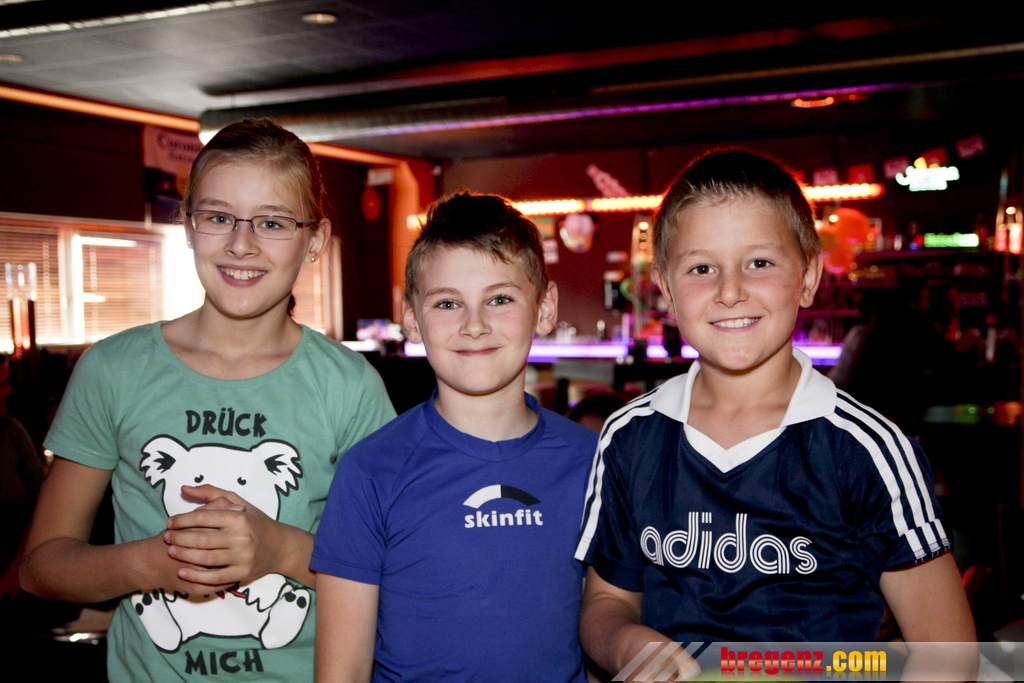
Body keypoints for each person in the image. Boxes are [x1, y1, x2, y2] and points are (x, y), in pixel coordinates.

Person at [575, 149, 976, 680]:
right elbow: (606, 602)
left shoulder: (867, 449)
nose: (730, 291)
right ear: (667, 290)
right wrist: (625, 643)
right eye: (701, 268)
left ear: (808, 275)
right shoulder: (629, 436)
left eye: (759, 263)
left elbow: (949, 654)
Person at [20, 119, 396, 683]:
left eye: (272, 222)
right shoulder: (114, 370)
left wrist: (279, 551)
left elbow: (398, 572)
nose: (241, 244)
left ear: (315, 240)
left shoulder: (349, 386)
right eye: (219, 217)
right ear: (188, 225)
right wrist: (152, 561)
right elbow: (41, 567)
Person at [311, 193, 598, 683]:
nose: (474, 325)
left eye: (500, 299)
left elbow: (605, 635)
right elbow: (342, 672)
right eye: (447, 303)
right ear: (411, 317)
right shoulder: (370, 471)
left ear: (545, 307)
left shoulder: (596, 463)